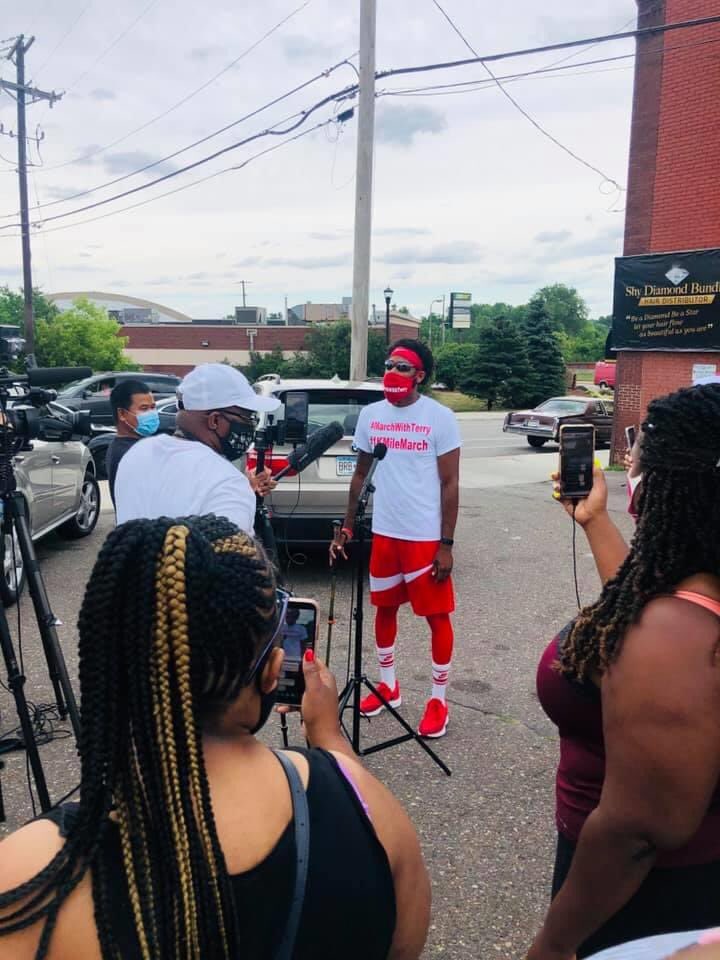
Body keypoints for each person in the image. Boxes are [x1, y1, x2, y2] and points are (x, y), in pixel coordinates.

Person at [0, 516, 431, 960]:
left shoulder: (27, 878)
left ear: (109, 664)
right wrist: (328, 736)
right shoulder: (375, 817)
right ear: (271, 672)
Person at [528, 383, 720, 960]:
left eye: (639, 458)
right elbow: (649, 610)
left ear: (674, 486)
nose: (631, 470)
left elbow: (635, 834)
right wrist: (595, 522)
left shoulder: (673, 640)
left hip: (646, 901)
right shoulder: (690, 597)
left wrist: (553, 944)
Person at [330, 338, 461, 739]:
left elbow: (450, 483)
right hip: (384, 532)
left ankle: (438, 699)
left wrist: (446, 544)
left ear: (419, 375)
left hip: (424, 537)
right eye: (388, 365)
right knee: (384, 609)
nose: (392, 372)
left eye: (402, 367)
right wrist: (348, 525)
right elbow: (360, 474)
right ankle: (389, 686)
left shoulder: (439, 417)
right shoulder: (371, 415)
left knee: (436, 617)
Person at [114, 363, 279, 535]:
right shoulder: (228, 483)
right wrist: (242, 492)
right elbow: (233, 551)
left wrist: (245, 488)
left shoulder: (137, 454)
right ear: (214, 420)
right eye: (247, 417)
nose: (251, 425)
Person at [106, 379, 159, 506]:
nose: (151, 413)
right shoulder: (128, 452)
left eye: (153, 407)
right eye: (144, 409)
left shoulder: (131, 446)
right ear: (122, 414)